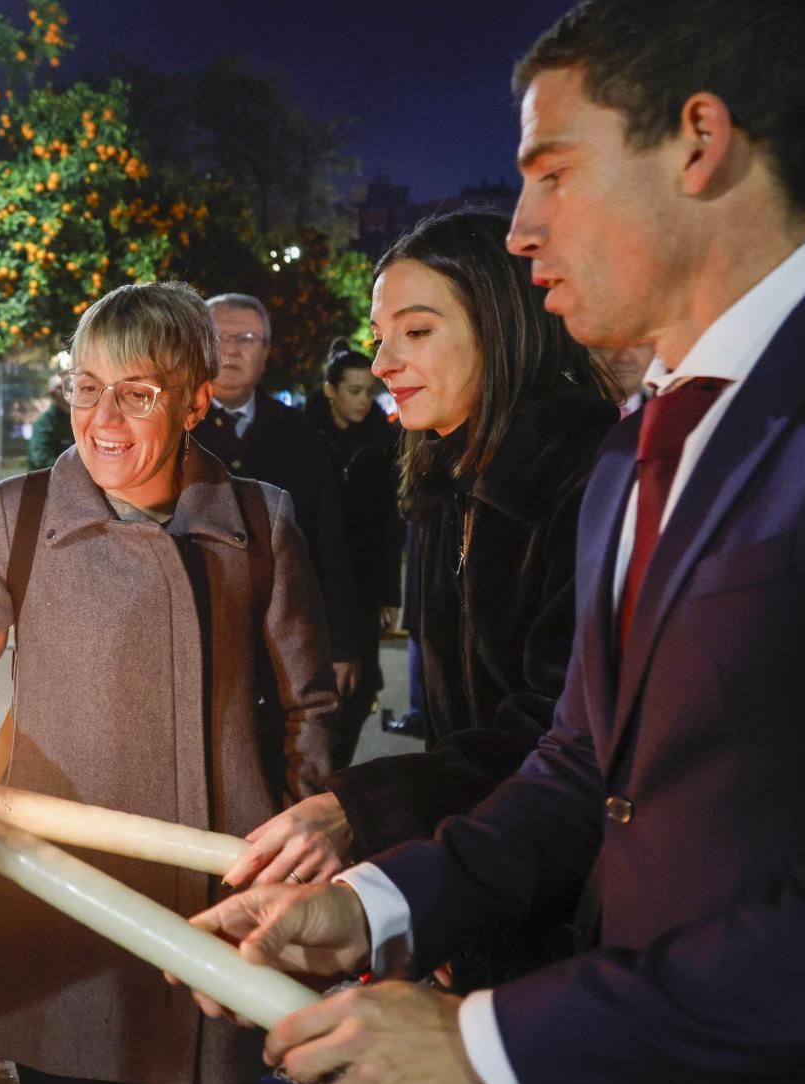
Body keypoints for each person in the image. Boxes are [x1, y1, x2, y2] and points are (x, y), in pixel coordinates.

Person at [187, 1, 805, 1084]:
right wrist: (376, 903)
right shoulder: (631, 451)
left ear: (700, 140)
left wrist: (490, 1043)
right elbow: (580, 764)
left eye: (553, 171)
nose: (519, 229)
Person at [0, 281, 338, 1084]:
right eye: (86, 386)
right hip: (57, 892)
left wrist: (304, 842)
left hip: (209, 894)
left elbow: (309, 706)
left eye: (136, 393)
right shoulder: (18, 512)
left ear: (193, 401)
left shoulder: (261, 520)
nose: (102, 416)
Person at [225, 213, 617, 948]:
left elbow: (561, 729)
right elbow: (456, 728)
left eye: (417, 331)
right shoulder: (448, 476)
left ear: (500, 326)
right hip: (485, 881)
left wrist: (363, 812)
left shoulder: (587, 473)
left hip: (576, 904)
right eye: (380, 335)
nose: (382, 363)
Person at [188, 293, 363, 705]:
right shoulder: (167, 426)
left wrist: (340, 643)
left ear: (266, 353)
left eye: (247, 338)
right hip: (190, 638)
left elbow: (329, 538)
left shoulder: (300, 434)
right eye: (219, 336)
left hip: (281, 640)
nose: (231, 348)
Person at [304, 339, 403, 770]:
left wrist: (389, 593)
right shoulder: (304, 435)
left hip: (361, 584)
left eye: (369, 391)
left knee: (358, 687)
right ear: (331, 390)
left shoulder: (382, 441)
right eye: (354, 391)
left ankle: (336, 774)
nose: (364, 400)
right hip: (311, 578)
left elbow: (389, 523)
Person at [27, 372, 75, 471]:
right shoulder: (43, 424)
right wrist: (71, 470)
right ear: (52, 394)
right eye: (61, 387)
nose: (69, 389)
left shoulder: (77, 419)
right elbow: (40, 459)